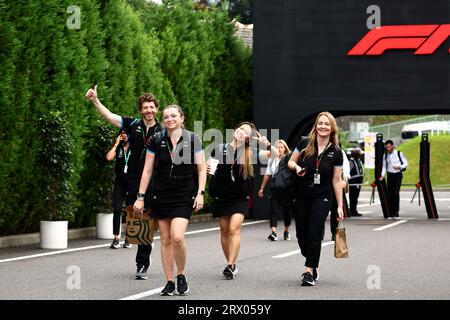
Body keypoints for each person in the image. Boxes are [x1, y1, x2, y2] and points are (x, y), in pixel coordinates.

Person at [86, 85, 162, 280]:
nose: (149, 110)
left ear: (156, 109)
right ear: (140, 110)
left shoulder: (162, 130)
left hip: (154, 182)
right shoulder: (132, 124)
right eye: (145, 107)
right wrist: (95, 101)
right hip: (133, 180)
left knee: (144, 219)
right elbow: (110, 116)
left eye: (152, 107)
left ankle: (141, 264)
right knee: (136, 219)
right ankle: (145, 248)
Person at [133, 105, 206, 296]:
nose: (169, 119)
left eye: (173, 115)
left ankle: (181, 275)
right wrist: (140, 197)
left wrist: (200, 193)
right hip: (161, 195)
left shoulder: (193, 139)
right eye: (166, 117)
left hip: (184, 194)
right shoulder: (156, 140)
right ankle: (170, 281)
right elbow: (147, 170)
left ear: (182, 118)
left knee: (177, 237)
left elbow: (201, 169)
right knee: (165, 240)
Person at [207, 122, 272, 280]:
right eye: (241, 129)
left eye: (246, 132)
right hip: (221, 196)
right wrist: (207, 168)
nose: (242, 132)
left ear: (249, 139)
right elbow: (209, 169)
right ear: (235, 130)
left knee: (234, 229)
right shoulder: (219, 148)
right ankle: (232, 263)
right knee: (224, 231)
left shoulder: (249, 153)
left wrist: (267, 144)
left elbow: (277, 155)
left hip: (240, 198)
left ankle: (230, 264)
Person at [288, 111, 344, 287]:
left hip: (323, 195)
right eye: (320, 123)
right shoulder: (304, 143)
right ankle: (310, 257)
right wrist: (297, 168)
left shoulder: (336, 152)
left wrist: (340, 206)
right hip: (302, 193)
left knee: (315, 230)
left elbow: (336, 180)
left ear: (332, 128)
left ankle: (309, 271)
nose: (323, 126)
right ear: (316, 125)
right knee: (301, 234)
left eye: (327, 124)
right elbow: (290, 161)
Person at [258, 139, 293, 241]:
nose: (279, 149)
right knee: (274, 210)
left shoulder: (289, 159)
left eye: (281, 147)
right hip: (275, 187)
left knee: (287, 211)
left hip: (286, 187)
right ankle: (274, 232)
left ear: (285, 149)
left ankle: (286, 231)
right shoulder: (271, 160)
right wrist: (262, 188)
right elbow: (268, 174)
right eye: (277, 147)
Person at [106, 131, 132, 249]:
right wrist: (116, 144)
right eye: (122, 133)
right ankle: (116, 238)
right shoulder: (119, 147)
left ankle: (128, 238)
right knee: (117, 209)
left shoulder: (136, 146)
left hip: (132, 181)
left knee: (130, 210)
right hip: (119, 181)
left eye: (126, 133)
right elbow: (109, 157)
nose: (124, 135)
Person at [379, 140, 408, 219]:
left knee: (395, 193)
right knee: (390, 194)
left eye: (389, 147)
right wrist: (382, 175)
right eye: (386, 147)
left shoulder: (399, 153)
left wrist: (400, 166)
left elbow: (406, 163)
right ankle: (391, 212)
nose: (387, 148)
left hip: (397, 175)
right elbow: (384, 167)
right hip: (390, 175)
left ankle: (396, 212)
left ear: (392, 146)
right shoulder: (385, 155)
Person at [328, 147, 350, 241]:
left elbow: (345, 165)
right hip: (323, 183)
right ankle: (319, 232)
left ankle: (334, 232)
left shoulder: (339, 152)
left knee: (335, 208)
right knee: (320, 210)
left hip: (336, 182)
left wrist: (345, 178)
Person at [348, 148, 364, 217]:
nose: (361, 155)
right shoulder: (351, 162)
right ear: (356, 154)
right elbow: (348, 172)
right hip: (353, 183)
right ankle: (352, 211)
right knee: (353, 197)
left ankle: (354, 210)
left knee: (356, 197)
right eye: (359, 154)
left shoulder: (359, 161)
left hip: (358, 182)